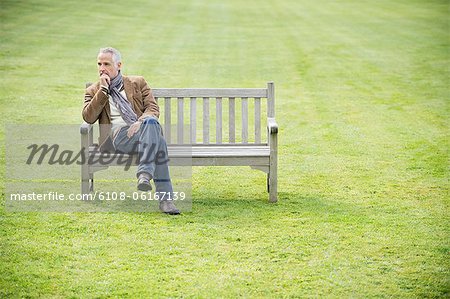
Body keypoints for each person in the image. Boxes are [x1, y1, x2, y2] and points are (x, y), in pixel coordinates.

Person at [83, 47, 180, 215]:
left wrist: (139, 122)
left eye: (106, 64)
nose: (101, 68)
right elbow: (88, 117)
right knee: (158, 141)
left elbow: (152, 108)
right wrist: (103, 91)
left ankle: (145, 174)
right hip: (116, 139)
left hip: (142, 134)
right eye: (99, 64)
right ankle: (165, 199)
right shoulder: (94, 90)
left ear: (118, 65)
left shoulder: (137, 82)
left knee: (152, 126)